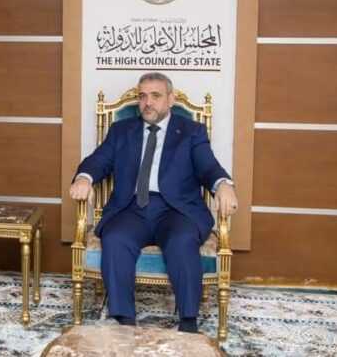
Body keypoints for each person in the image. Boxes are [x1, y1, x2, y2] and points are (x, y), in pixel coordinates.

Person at [69, 72, 239, 333]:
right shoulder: (121, 130)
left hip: (176, 210)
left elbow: (208, 167)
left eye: (155, 96)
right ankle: (124, 321)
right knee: (115, 238)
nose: (148, 102)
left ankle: (188, 323)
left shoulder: (191, 132)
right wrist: (84, 178)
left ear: (170, 99)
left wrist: (223, 184)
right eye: (143, 96)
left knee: (182, 240)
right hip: (131, 208)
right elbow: (98, 160)